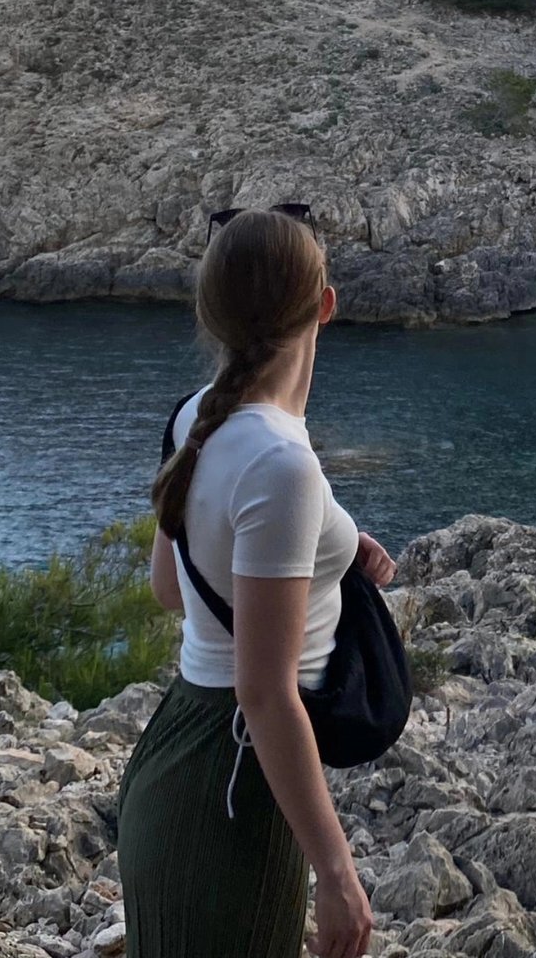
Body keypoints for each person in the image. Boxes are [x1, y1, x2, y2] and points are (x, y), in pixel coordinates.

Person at [117, 209, 391, 958]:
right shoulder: (281, 462)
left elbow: (172, 588)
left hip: (179, 751)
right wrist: (338, 874)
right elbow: (265, 693)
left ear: (211, 311)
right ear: (326, 305)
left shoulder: (196, 419)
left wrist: (327, 548)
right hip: (235, 787)